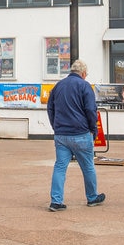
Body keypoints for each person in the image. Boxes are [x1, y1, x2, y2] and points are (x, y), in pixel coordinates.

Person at [46, 59, 105, 212]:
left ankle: (56, 201)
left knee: (60, 167)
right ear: (83, 73)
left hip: (61, 134)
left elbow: (50, 108)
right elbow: (91, 110)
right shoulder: (85, 86)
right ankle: (92, 197)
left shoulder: (58, 86)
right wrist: (93, 129)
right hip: (80, 133)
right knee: (88, 167)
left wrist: (55, 126)